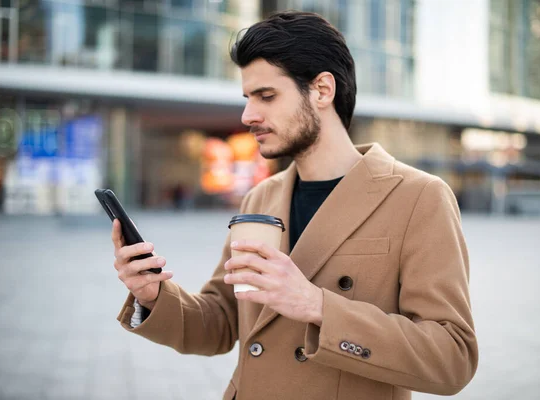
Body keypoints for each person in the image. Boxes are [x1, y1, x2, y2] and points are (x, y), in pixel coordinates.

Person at [111, 11, 478, 400]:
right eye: (247, 98)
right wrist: (153, 296)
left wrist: (319, 306)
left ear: (322, 90)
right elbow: (220, 322)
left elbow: (451, 359)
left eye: (266, 96)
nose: (248, 115)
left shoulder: (418, 197)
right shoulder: (261, 196)